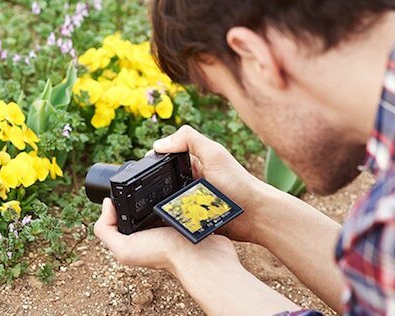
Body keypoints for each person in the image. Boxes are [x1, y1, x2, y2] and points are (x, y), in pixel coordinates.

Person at [94, 1, 395, 315]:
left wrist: (193, 261)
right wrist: (256, 210)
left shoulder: (385, 218)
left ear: (254, 56)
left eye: (226, 95)